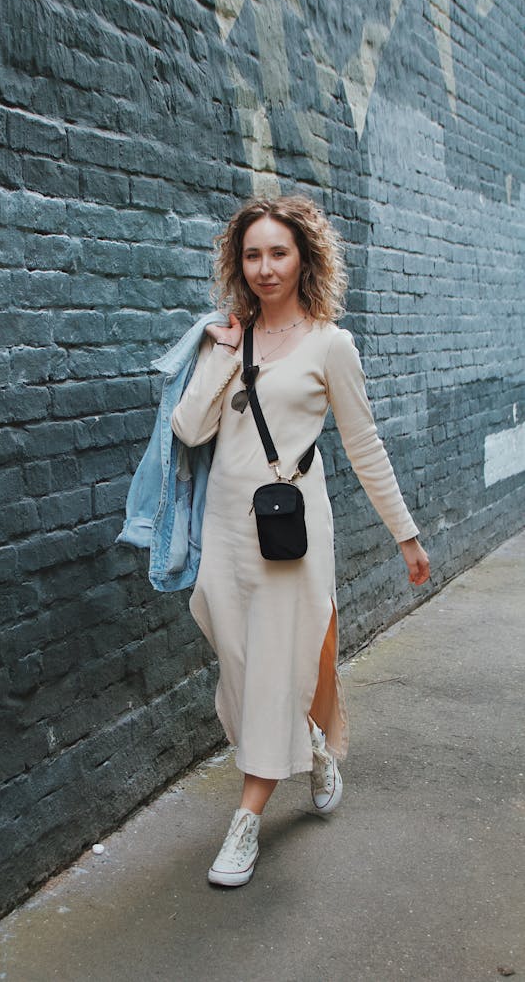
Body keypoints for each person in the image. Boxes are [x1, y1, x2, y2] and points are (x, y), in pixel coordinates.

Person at [170, 195, 430, 887]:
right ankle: (312, 744)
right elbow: (190, 427)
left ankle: (246, 821)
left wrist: (405, 533)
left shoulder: (329, 344)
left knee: (275, 671)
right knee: (242, 665)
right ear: (239, 262)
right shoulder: (230, 338)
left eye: (278, 252)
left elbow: (365, 444)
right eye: (252, 254)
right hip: (224, 533)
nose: (264, 267)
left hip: (289, 534)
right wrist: (221, 352)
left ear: (304, 257)